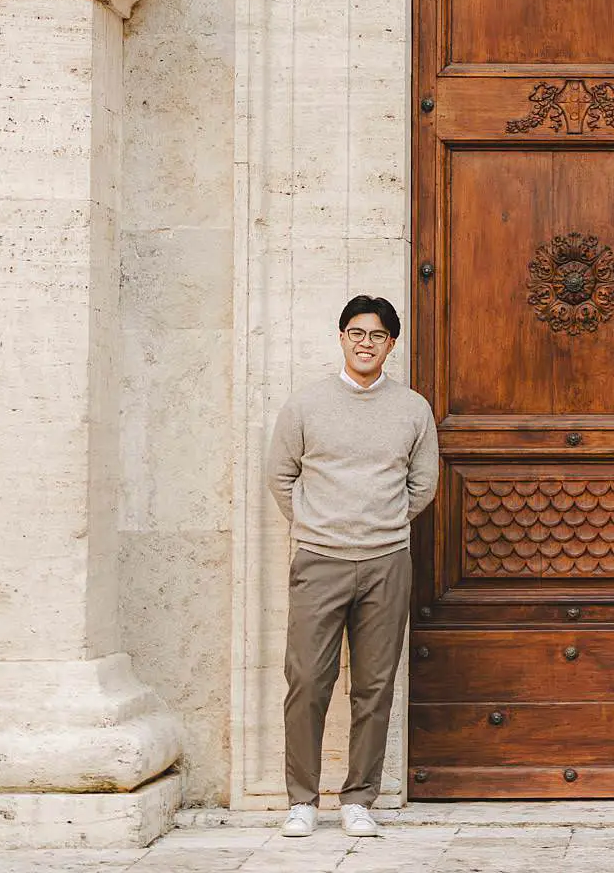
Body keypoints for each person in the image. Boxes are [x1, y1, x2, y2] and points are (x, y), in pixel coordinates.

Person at [266, 295, 439, 837]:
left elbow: (423, 484)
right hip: (319, 561)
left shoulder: (412, 409)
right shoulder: (305, 405)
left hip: (387, 560)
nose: (367, 343)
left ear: (391, 343)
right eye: (357, 333)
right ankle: (302, 800)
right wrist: (318, 526)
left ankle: (359, 797)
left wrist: (382, 523)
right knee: (306, 681)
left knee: (374, 684)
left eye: (378, 336)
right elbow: (280, 476)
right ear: (341, 337)